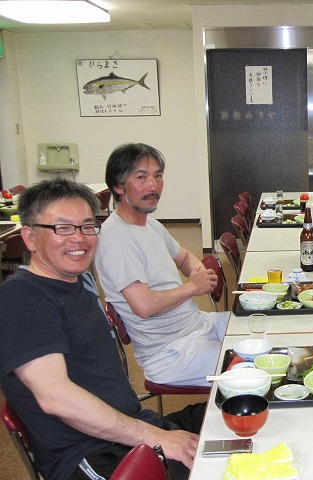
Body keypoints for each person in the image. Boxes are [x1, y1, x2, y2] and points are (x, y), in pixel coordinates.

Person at [0, 179, 205, 480]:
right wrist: (159, 438)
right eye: (63, 228)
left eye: (87, 226)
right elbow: (56, 397)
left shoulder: (79, 283)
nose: (79, 238)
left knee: (246, 409)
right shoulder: (22, 297)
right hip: (94, 455)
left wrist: (154, 434)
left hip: (131, 430)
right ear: (30, 238)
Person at [95, 143, 228, 387]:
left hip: (197, 325)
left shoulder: (151, 225)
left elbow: (183, 257)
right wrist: (192, 287)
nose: (153, 185)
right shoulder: (116, 238)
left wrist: (197, 272)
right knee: (254, 368)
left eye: (158, 176)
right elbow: (144, 306)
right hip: (169, 354)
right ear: (118, 186)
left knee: (261, 327)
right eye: (141, 177)